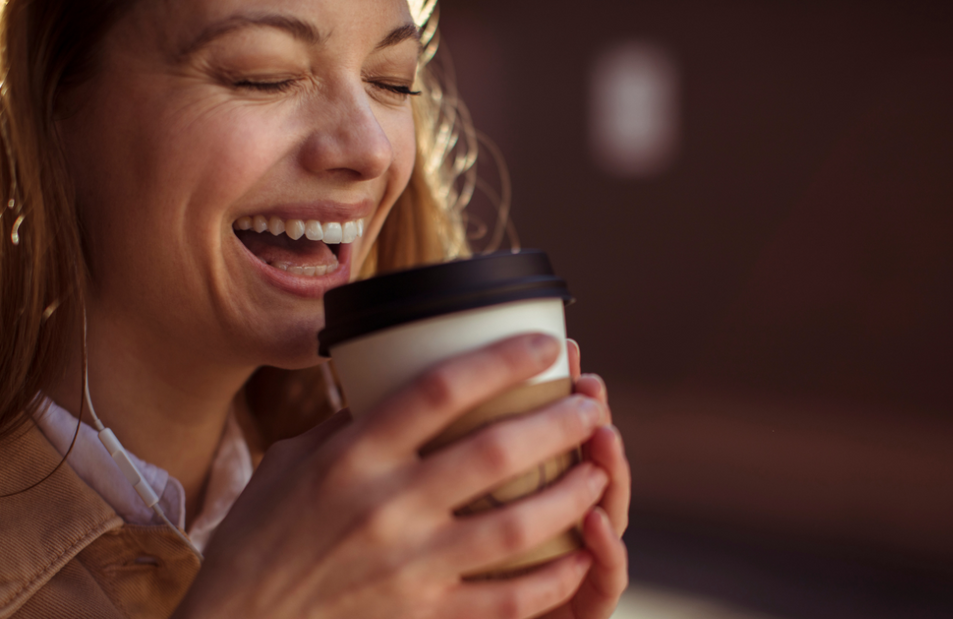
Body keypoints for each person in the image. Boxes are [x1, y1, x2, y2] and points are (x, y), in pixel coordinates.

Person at [0, 0, 631, 617]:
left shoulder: (389, 536)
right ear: (47, 101)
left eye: (391, 82)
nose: (371, 150)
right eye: (264, 76)